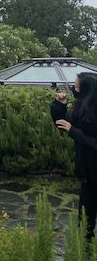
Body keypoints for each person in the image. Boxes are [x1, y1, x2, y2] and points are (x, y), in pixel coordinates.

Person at [51, 72, 97, 240]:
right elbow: (64, 124)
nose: (73, 89)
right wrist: (59, 106)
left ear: (87, 90)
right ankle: (85, 251)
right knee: (85, 220)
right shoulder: (82, 108)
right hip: (88, 174)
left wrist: (73, 131)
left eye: (77, 87)